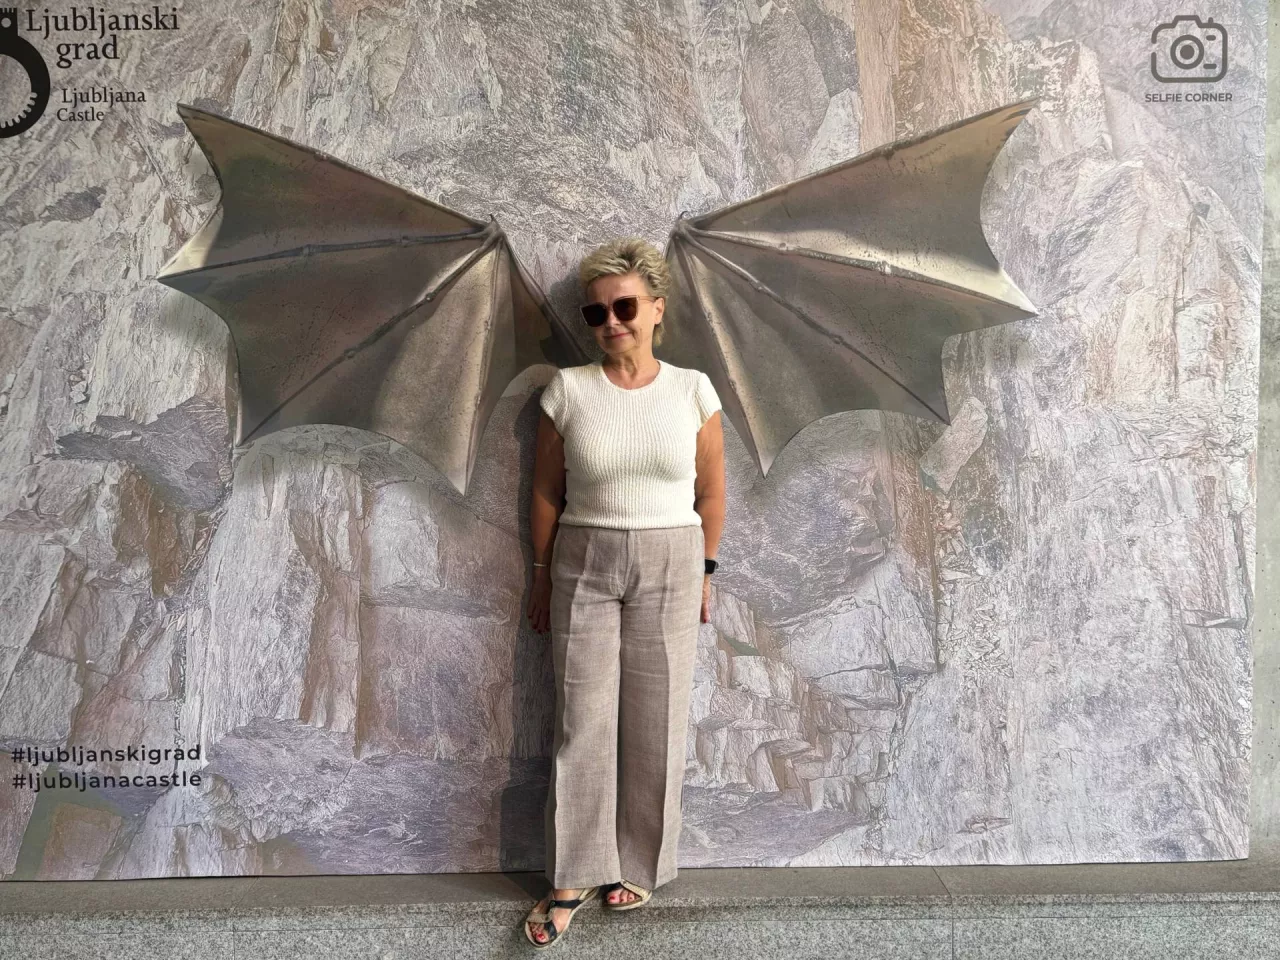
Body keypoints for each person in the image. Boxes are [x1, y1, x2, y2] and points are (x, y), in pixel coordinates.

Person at [522, 236, 725, 948]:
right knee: (581, 716)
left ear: (656, 309)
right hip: (584, 558)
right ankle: (573, 874)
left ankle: (640, 862)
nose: (611, 322)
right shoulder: (568, 392)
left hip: (673, 558)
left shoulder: (693, 390)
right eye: (597, 312)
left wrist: (705, 571)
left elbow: (711, 492)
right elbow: (546, 492)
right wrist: (541, 573)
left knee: (657, 716)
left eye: (625, 307)